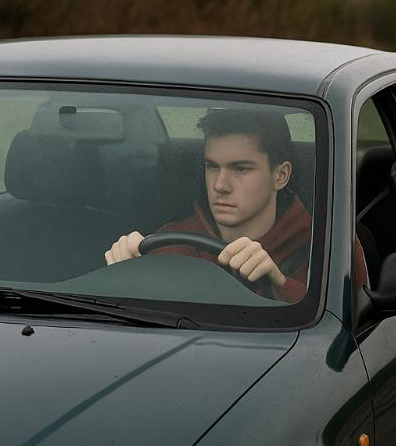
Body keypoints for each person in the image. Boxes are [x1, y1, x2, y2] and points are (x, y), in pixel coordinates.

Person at [104, 108, 366, 302]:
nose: (220, 184)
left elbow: (347, 339)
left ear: (281, 176)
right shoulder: (168, 244)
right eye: (212, 166)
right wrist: (123, 278)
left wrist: (281, 285)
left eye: (240, 169)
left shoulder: (327, 248)